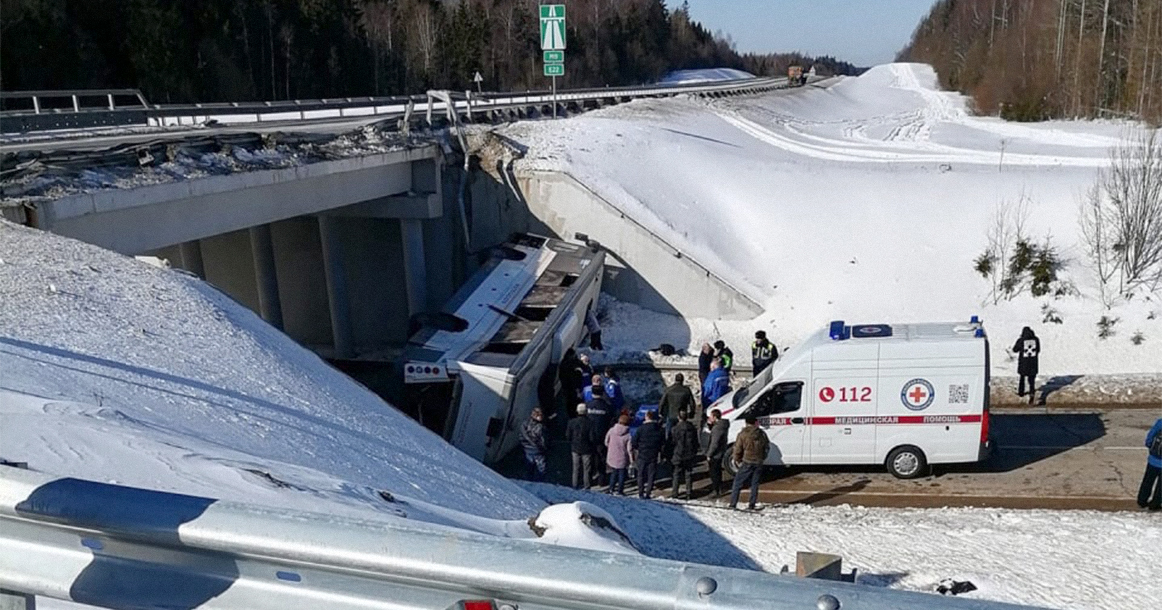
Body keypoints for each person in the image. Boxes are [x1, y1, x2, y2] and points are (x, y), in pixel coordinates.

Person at [729, 414, 770, 510]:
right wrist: (763, 457)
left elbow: (738, 449)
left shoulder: (743, 434)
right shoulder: (761, 434)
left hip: (747, 460)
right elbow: (767, 447)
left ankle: (733, 503)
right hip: (759, 461)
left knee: (737, 483)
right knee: (755, 483)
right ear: (755, 423)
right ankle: (752, 504)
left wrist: (737, 459)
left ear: (746, 423)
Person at [632, 410, 665, 499]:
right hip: (653, 454)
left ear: (647, 417)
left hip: (642, 453)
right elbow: (663, 443)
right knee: (651, 475)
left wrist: (638, 448)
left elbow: (634, 442)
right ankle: (648, 492)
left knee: (641, 474)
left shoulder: (641, 429)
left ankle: (640, 492)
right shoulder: (660, 429)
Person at [586, 385, 613, 485]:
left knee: (589, 458)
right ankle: (602, 479)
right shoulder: (606, 407)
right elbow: (611, 421)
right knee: (602, 458)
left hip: (589, 437)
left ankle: (588, 479)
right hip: (602, 436)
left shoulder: (588, 405)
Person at [669, 409, 699, 500]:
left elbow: (671, 442)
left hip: (678, 453)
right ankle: (689, 492)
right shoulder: (692, 428)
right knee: (688, 474)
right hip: (689, 454)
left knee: (676, 474)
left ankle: (675, 493)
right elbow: (695, 442)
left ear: (679, 417)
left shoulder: (675, 429)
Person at [566, 404, 597, 489]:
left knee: (576, 468)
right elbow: (592, 437)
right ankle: (587, 485)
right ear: (586, 411)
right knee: (587, 469)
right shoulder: (590, 423)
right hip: (587, 448)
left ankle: (575, 485)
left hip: (575, 447)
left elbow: (568, 436)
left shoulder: (571, 422)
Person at [659, 373, 697, 439]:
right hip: (682, 414)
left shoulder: (669, 390)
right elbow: (692, 403)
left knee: (669, 433)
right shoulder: (686, 390)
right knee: (682, 433)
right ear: (683, 380)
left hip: (671, 414)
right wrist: (692, 413)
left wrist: (661, 412)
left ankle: (669, 445)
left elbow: (662, 402)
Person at [1138, 416, 1162, 511]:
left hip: (1153, 459)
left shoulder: (1160, 422)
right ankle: (1155, 504)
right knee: (1160, 486)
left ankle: (1142, 500)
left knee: (1147, 481)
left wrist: (1149, 446)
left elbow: (1151, 435)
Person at [605, 414, 633, 495]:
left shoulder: (611, 430)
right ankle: (620, 490)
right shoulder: (628, 435)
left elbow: (606, 441)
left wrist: (610, 447)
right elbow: (629, 449)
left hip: (612, 455)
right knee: (622, 474)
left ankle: (611, 488)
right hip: (622, 457)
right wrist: (631, 460)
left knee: (613, 473)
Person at [705, 408, 730, 497]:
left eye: (711, 416)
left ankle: (716, 490)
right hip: (720, 451)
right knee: (718, 471)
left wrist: (709, 454)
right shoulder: (722, 425)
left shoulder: (717, 429)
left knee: (714, 472)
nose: (709, 418)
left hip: (716, 454)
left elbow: (714, 443)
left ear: (715, 417)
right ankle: (718, 488)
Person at [1012, 327, 1041, 405]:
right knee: (1032, 380)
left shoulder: (1021, 340)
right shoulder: (1036, 340)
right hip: (1033, 363)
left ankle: (1021, 392)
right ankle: (1032, 392)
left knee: (1022, 378)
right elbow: (1038, 350)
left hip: (1023, 363)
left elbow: (1015, 349)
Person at [519, 408, 547, 482]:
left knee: (529, 467)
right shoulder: (540, 426)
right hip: (537, 449)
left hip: (527, 448)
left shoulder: (525, 424)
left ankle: (528, 480)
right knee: (541, 468)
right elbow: (543, 438)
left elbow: (522, 436)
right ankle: (539, 482)